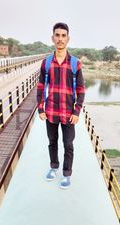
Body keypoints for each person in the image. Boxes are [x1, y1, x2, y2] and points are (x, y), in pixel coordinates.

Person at [37, 22, 85, 189]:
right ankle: (53, 166)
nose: (60, 39)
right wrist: (40, 108)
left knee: (68, 144)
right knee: (52, 141)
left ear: (68, 39)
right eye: (57, 35)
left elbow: (81, 90)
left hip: (68, 112)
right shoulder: (46, 62)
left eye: (63, 36)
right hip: (50, 111)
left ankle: (66, 174)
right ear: (52, 38)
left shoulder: (75, 63)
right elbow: (41, 86)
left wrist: (77, 112)